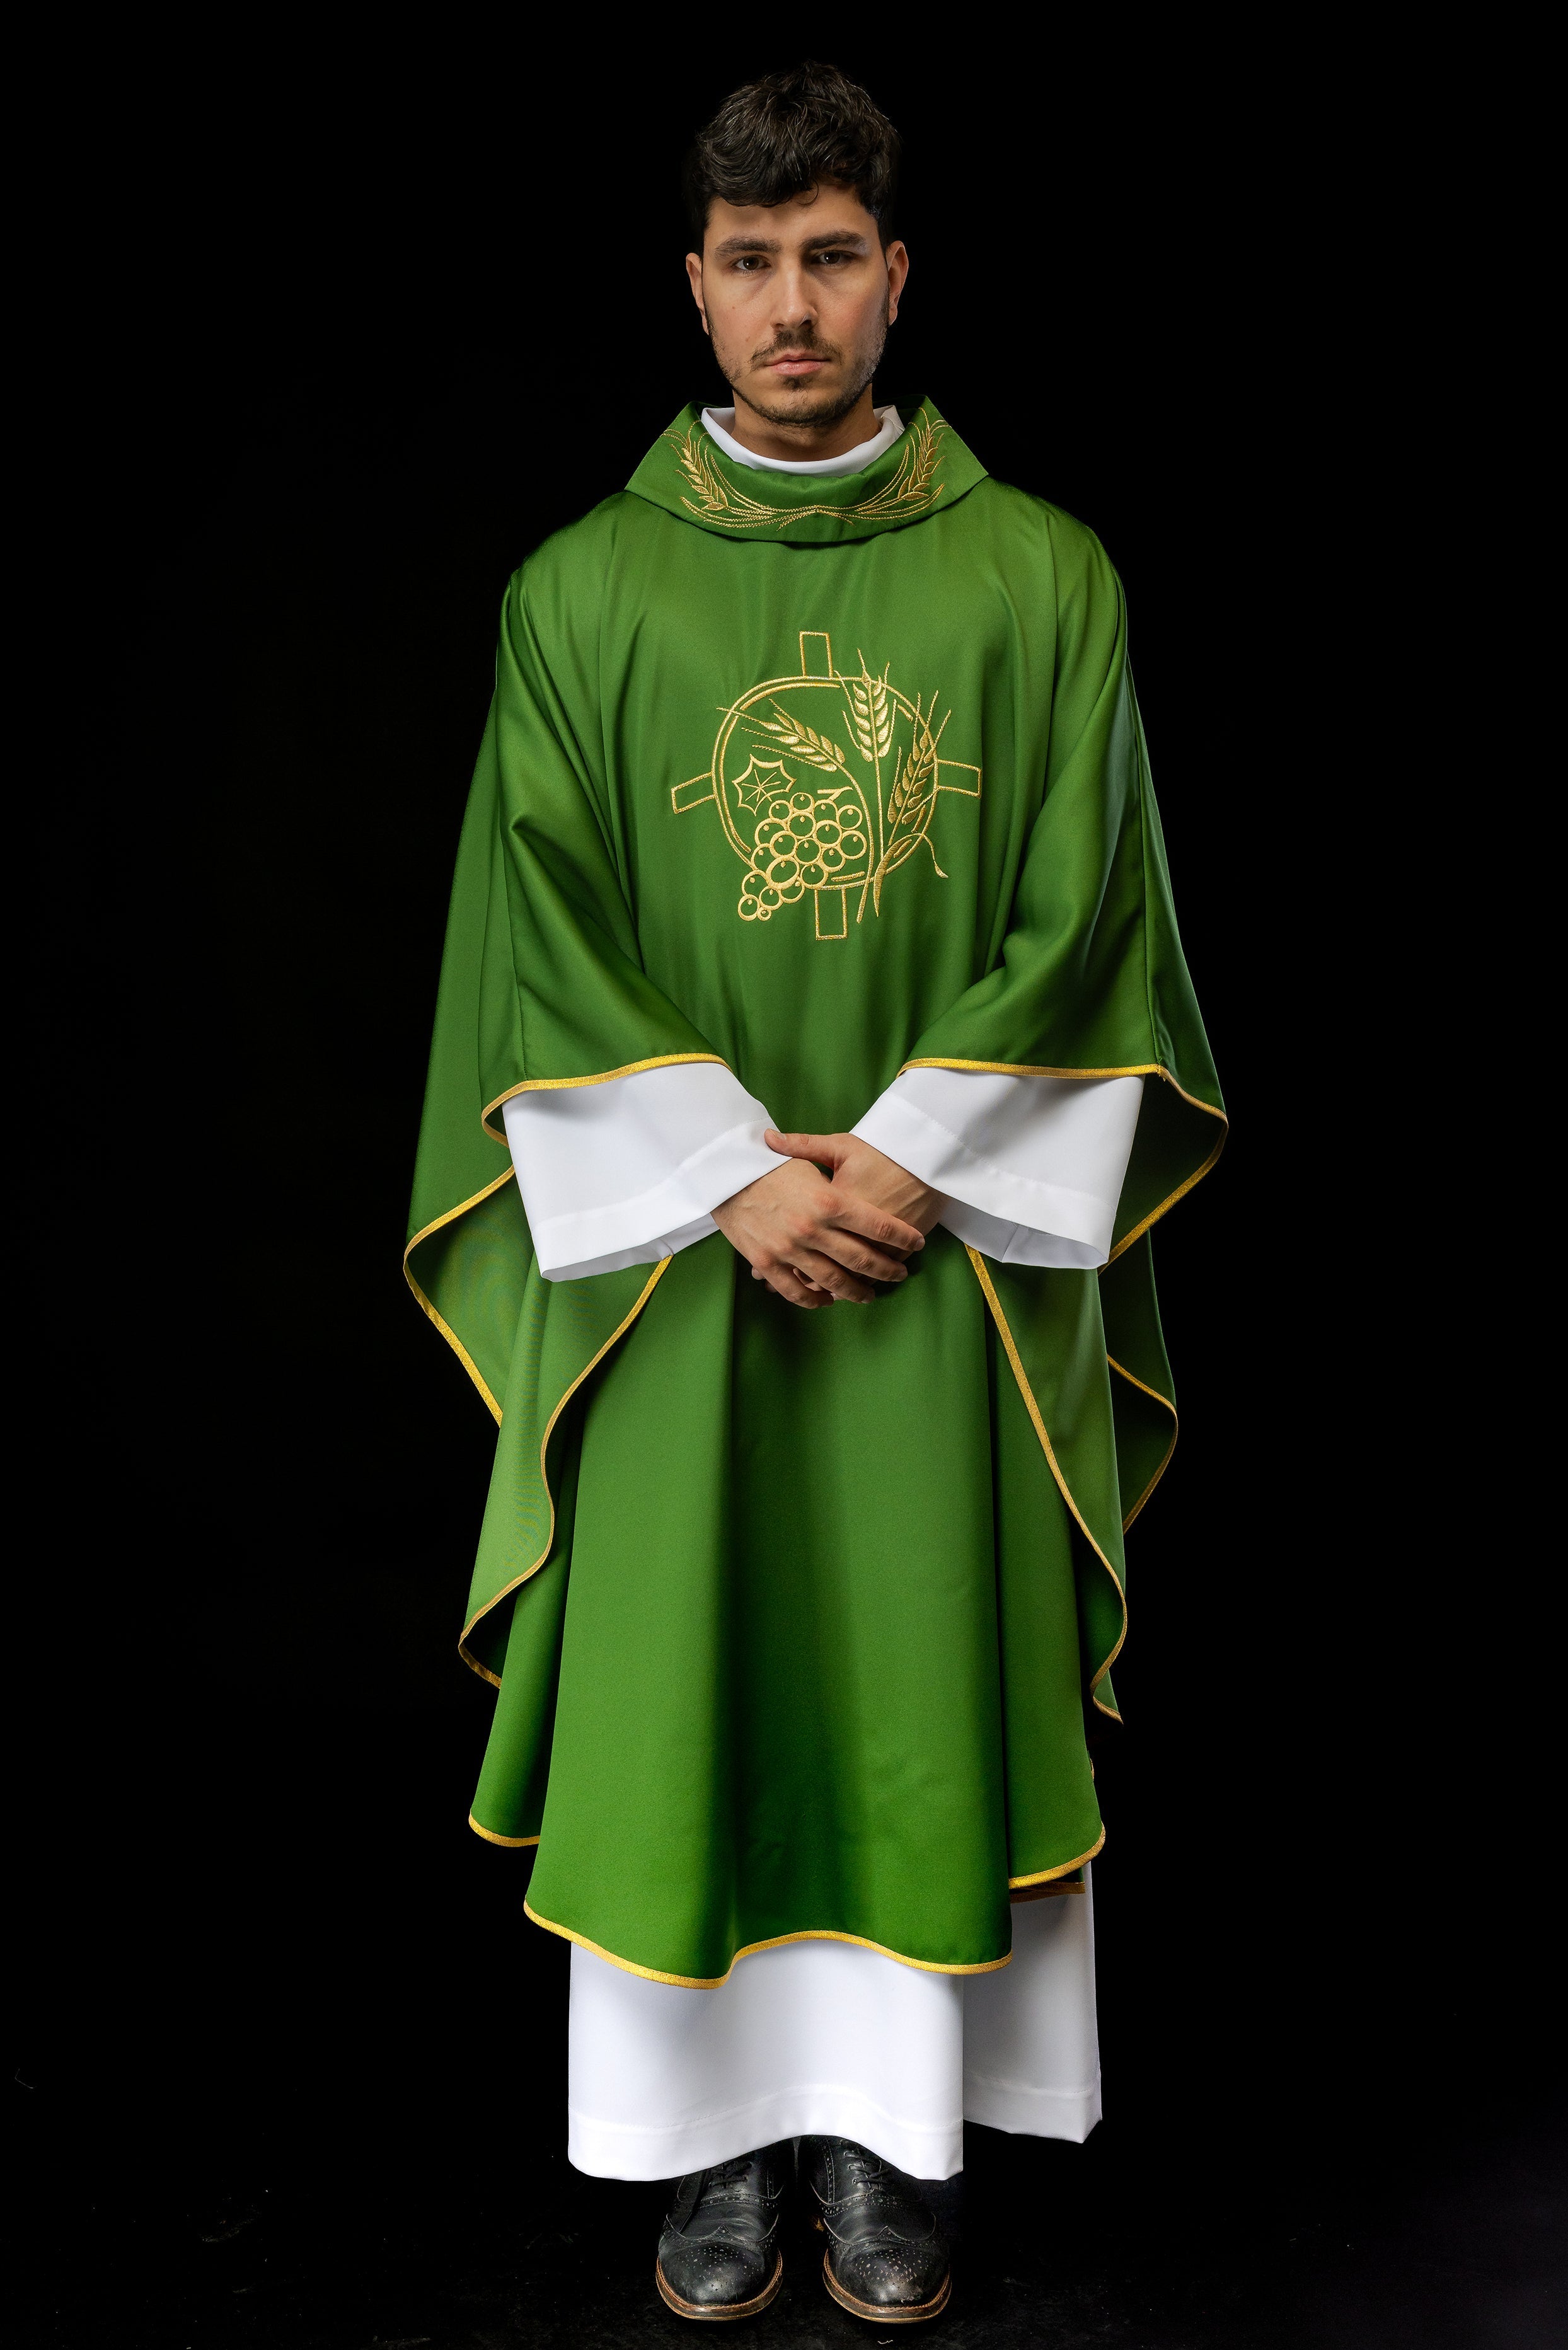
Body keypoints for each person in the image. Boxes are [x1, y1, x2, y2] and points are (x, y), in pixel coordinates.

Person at [405, 60, 1223, 2326]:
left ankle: (887, 2148)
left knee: (900, 1673)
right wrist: (722, 1184)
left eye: (833, 256)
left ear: (896, 277)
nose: (794, 305)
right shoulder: (577, 597)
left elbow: (1085, 910)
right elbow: (535, 934)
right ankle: (711, 2148)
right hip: (686, 1267)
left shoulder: (1042, 576)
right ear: (695, 282)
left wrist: (913, 1163)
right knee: (706, 1670)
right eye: (751, 263)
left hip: (936, 1251)